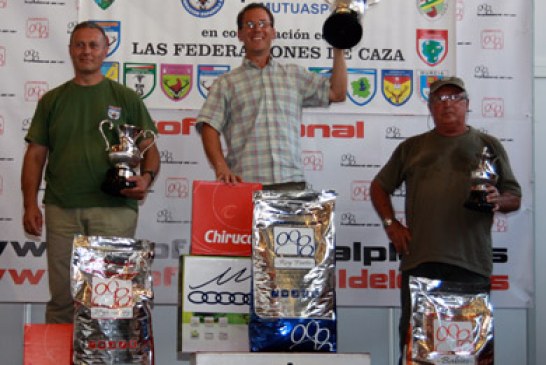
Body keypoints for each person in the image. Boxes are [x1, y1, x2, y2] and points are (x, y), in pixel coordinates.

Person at [369, 76, 521, 363]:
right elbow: (378, 186)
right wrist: (391, 225)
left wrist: (498, 200)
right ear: (430, 107)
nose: (447, 104)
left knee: (469, 350)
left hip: (471, 262)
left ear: (467, 104)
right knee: (417, 347)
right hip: (421, 261)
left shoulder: (488, 145)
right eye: (439, 99)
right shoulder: (411, 148)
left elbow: (515, 196)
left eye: (454, 98)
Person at [21, 21, 160, 323]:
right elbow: (35, 156)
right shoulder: (52, 101)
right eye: (80, 45)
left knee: (110, 298)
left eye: (93, 45)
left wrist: (146, 179)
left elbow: (149, 148)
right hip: (61, 209)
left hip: (114, 210)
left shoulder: (126, 98)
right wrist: (30, 203)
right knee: (61, 298)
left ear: (105, 50)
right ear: (71, 50)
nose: (86, 51)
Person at [196, 3, 347, 190]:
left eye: (263, 23)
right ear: (240, 34)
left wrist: (339, 46)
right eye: (250, 25)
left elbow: (337, 93)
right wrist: (221, 168)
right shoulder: (226, 83)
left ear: (273, 32)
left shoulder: (294, 75)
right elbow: (208, 126)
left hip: (291, 183)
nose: (257, 29)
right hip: (245, 185)